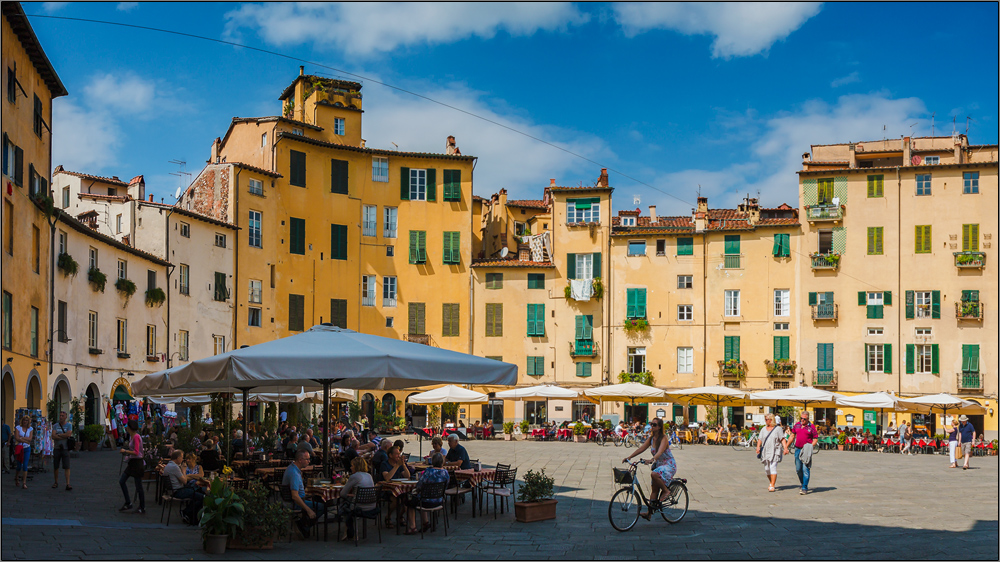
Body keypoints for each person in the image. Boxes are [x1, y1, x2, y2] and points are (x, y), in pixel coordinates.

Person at [623, 417, 675, 520]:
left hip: (669, 465)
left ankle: (666, 491)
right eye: (651, 424)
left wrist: (652, 460)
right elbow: (641, 448)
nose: (652, 426)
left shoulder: (663, 438)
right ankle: (649, 513)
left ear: (659, 427)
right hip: (659, 465)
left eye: (654, 425)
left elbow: (660, 452)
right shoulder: (651, 438)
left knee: (654, 474)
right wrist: (629, 457)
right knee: (654, 490)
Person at [282, 449, 325, 538]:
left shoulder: (292, 468)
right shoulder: (294, 474)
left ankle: (303, 523)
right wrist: (308, 510)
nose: (309, 461)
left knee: (317, 500)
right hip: (294, 503)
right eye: (307, 459)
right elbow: (295, 496)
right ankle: (303, 525)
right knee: (322, 507)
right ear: (300, 460)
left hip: (292, 500)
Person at [404, 452, 449, 535]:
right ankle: (425, 522)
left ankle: (412, 527)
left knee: (410, 501)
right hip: (439, 500)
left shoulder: (428, 472)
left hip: (426, 501)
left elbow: (419, 485)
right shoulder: (445, 472)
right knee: (421, 497)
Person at [162, 450, 206, 525]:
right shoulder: (175, 467)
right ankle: (188, 513)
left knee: (197, 494)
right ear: (178, 458)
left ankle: (188, 514)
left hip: (173, 491)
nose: (183, 460)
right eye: (182, 457)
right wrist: (184, 470)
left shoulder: (168, 466)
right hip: (178, 491)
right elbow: (185, 481)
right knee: (203, 497)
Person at [339, 456, 376, 541]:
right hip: (372, 505)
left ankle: (349, 530)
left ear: (356, 466)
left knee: (343, 502)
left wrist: (349, 495)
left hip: (359, 507)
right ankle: (348, 530)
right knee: (348, 502)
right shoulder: (369, 476)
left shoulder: (355, 476)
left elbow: (343, 494)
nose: (351, 467)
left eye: (352, 465)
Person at [783, 411, 818, 495]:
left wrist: (810, 447)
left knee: (805, 469)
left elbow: (816, 438)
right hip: (797, 449)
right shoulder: (797, 425)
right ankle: (802, 483)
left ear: (808, 419)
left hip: (806, 449)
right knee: (798, 469)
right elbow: (792, 436)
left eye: (804, 419)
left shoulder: (811, 427)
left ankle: (804, 487)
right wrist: (786, 447)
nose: (802, 420)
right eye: (801, 418)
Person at [118, 420, 146, 514]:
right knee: (122, 481)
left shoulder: (136, 437)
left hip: (137, 463)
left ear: (130, 428)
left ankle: (142, 506)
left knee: (138, 486)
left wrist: (125, 451)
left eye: (127, 426)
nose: (126, 428)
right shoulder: (132, 436)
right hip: (133, 462)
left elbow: (136, 452)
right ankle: (128, 502)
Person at [755, 413, 783, 492]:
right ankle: (771, 482)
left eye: (766, 419)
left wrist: (786, 447)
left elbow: (782, 439)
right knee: (767, 469)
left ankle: (772, 485)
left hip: (775, 450)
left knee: (772, 467)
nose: (765, 421)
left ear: (771, 420)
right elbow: (760, 439)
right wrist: (758, 447)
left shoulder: (778, 429)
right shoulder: (763, 429)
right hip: (765, 451)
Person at [52, 410, 73, 491]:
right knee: (56, 466)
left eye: (62, 416)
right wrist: (63, 436)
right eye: (60, 415)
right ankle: (56, 482)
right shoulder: (55, 426)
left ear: (66, 417)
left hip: (65, 448)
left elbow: (68, 434)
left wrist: (59, 435)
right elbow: (53, 436)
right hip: (57, 448)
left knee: (67, 466)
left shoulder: (69, 425)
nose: (61, 417)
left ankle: (68, 483)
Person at [14, 415, 33, 489]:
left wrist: (22, 438)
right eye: (24, 420)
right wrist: (25, 440)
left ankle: (24, 482)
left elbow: (30, 439)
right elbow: (17, 438)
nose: (25, 422)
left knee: (25, 465)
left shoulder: (30, 429)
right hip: (19, 448)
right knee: (19, 465)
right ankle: (16, 477)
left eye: (27, 420)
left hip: (27, 448)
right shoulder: (18, 428)